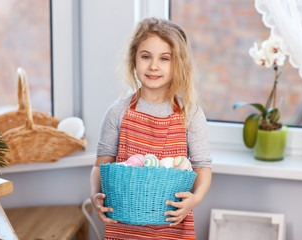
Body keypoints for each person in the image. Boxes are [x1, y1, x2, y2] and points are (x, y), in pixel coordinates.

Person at [90, 17, 212, 240]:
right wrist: (95, 196)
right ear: (134, 60)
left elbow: (203, 167)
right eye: (146, 56)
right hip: (124, 225)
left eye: (164, 58)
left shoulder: (190, 114)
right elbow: (100, 166)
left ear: (178, 64)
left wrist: (195, 199)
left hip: (172, 225)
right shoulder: (117, 112)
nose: (153, 66)